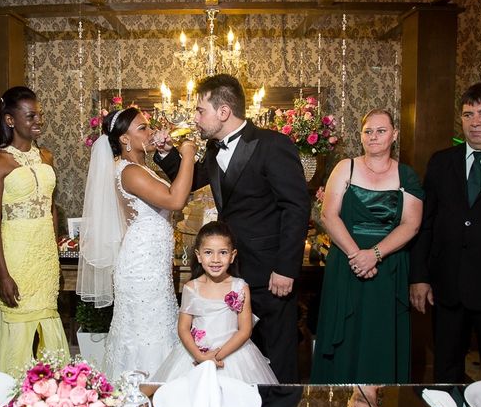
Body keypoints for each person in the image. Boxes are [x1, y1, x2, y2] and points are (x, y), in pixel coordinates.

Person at [155, 74, 310, 385]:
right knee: (239, 357)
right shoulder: (214, 150)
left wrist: (285, 268)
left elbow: (296, 208)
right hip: (231, 270)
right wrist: (165, 154)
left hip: (270, 273)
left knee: (277, 354)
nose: (195, 118)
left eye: (200, 111)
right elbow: (194, 177)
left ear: (223, 112)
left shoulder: (273, 145)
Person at [410, 82, 481, 382]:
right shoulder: (441, 162)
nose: (474, 122)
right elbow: (426, 224)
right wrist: (420, 276)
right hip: (448, 291)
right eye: (467, 114)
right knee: (445, 377)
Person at [77, 106, 197, 381]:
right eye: (142, 128)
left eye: (148, 125)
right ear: (124, 140)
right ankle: (143, 393)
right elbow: (176, 200)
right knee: (146, 334)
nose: (151, 131)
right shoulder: (130, 171)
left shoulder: (142, 168)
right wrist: (188, 152)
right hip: (141, 269)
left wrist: (170, 153)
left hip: (151, 265)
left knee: (157, 329)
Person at [311, 109, 423, 383]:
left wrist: (374, 254)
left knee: (379, 334)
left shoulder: (406, 176)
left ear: (394, 135)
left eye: (381, 131)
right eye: (368, 131)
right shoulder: (344, 167)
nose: (373, 136)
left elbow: (411, 224)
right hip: (346, 264)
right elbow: (328, 215)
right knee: (345, 333)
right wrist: (356, 255)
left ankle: (381, 399)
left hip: (388, 267)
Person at [0, 86, 69, 374]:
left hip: (44, 255)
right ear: (10, 120)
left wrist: (54, 255)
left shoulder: (46, 156)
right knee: (19, 328)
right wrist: (3, 274)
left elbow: (52, 208)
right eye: (30, 115)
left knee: (48, 318)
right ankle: (14, 397)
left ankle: (55, 397)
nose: (38, 120)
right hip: (16, 256)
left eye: (40, 115)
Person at [152, 221, 278, 384]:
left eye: (223, 252)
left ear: (232, 256)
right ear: (198, 256)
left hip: (232, 354)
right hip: (196, 353)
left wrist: (215, 357)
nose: (216, 259)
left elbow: (245, 330)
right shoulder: (191, 288)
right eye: (208, 252)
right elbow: (183, 328)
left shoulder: (240, 287)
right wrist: (200, 357)